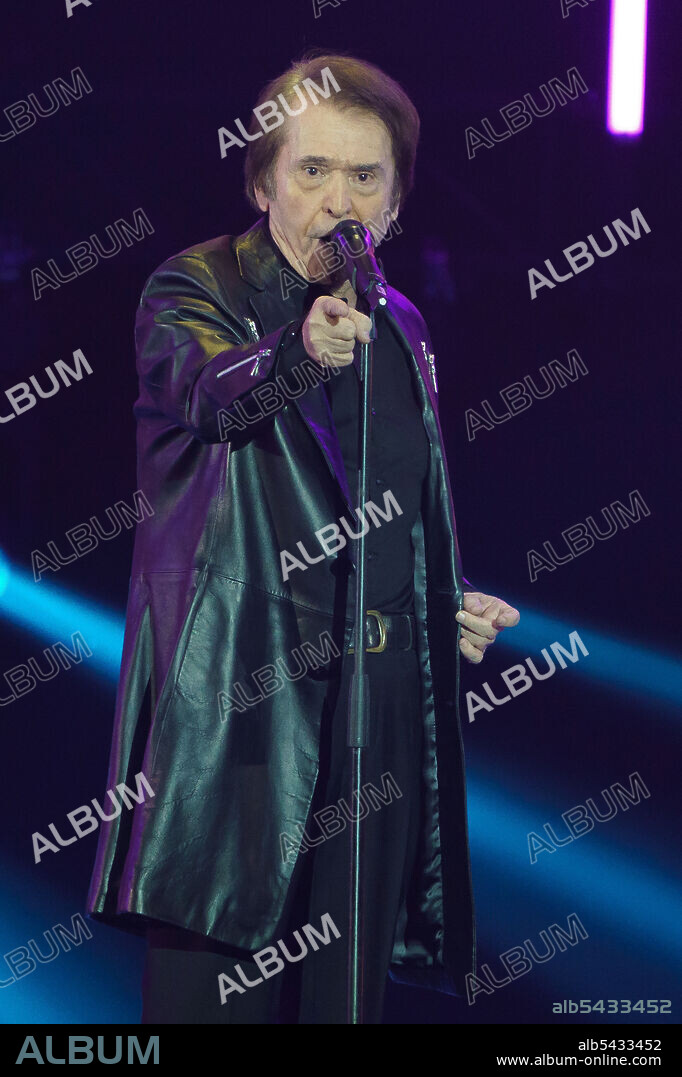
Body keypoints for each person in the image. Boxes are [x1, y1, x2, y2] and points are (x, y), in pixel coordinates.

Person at [86, 51, 519, 1024]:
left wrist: (439, 604)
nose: (338, 200)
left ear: (396, 198)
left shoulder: (401, 326)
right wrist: (294, 353)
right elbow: (209, 401)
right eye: (312, 170)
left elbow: (395, 503)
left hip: (375, 723)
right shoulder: (190, 287)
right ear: (262, 176)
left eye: (364, 176)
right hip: (241, 724)